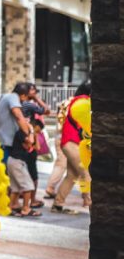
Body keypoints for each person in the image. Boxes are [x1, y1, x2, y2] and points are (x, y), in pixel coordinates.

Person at [52, 82, 92, 214]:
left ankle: (58, 204)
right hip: (72, 142)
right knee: (85, 172)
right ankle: (89, 202)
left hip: (70, 142)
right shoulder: (82, 101)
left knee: (72, 175)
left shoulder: (76, 101)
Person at [7, 106, 40, 217]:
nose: (27, 121)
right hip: (16, 162)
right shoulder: (22, 132)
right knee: (28, 186)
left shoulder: (23, 132)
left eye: (28, 119)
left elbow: (36, 147)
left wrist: (33, 133)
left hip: (15, 161)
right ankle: (26, 208)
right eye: (25, 119)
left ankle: (11, 207)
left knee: (15, 188)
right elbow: (30, 141)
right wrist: (31, 130)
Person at [0, 82, 33, 163]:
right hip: (6, 144)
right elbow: (18, 116)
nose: (26, 101)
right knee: (5, 171)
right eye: (27, 98)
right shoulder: (13, 97)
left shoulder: (5, 96)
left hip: (1, 141)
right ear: (23, 95)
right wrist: (28, 135)